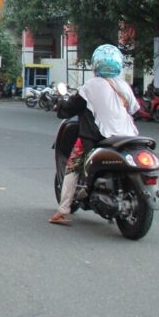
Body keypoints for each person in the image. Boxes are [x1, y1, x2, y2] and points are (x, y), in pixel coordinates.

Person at [49, 44, 139, 225]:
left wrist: (60, 105)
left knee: (73, 167)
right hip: (128, 137)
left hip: (97, 137)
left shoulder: (90, 86)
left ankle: (62, 210)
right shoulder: (124, 86)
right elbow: (134, 109)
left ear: (95, 64)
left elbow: (70, 108)